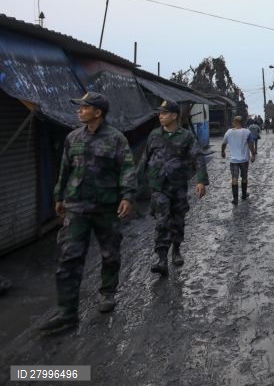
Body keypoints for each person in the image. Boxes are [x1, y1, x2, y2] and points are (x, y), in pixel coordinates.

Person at [39, 92, 136, 332]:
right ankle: (67, 312)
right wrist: (59, 195)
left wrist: (127, 196)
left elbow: (126, 168)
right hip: (76, 207)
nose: (79, 110)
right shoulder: (73, 138)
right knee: (69, 258)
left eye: (84, 107)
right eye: (79, 107)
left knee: (110, 254)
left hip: (106, 207)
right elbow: (65, 168)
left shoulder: (116, 139)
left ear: (97, 112)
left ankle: (107, 293)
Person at [137, 100, 209, 276]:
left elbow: (198, 158)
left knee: (177, 219)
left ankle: (176, 250)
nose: (160, 116)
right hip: (158, 186)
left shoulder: (186, 136)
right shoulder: (154, 135)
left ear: (174, 115)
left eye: (164, 113)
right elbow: (144, 159)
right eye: (159, 113)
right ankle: (161, 258)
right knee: (162, 220)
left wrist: (201, 181)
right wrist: (131, 186)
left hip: (178, 186)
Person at [222, 116, 256, 204]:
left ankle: (235, 199)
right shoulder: (247, 132)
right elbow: (251, 144)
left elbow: (223, 143)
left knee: (234, 178)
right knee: (244, 177)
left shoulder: (229, 132)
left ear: (234, 122)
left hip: (233, 160)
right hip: (244, 160)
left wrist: (223, 152)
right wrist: (253, 155)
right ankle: (244, 195)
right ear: (243, 122)